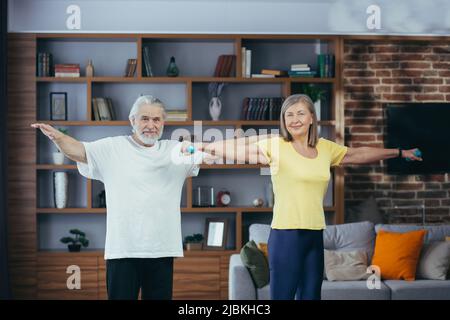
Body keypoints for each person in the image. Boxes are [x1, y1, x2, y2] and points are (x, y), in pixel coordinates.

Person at [194, 94, 422, 300]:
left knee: (311, 297)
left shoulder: (325, 148)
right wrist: (204, 147)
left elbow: (358, 154)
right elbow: (241, 151)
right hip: (285, 236)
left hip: (314, 235)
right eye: (289, 115)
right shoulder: (276, 146)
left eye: (300, 113)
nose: (294, 119)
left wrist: (399, 153)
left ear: (312, 117)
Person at [31, 95, 211, 300]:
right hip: (122, 252)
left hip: (162, 251)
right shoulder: (112, 148)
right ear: (132, 120)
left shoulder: (175, 150)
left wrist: (249, 148)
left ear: (163, 123)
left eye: (156, 119)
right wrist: (57, 137)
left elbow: (213, 153)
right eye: (144, 118)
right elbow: (79, 151)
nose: (150, 125)